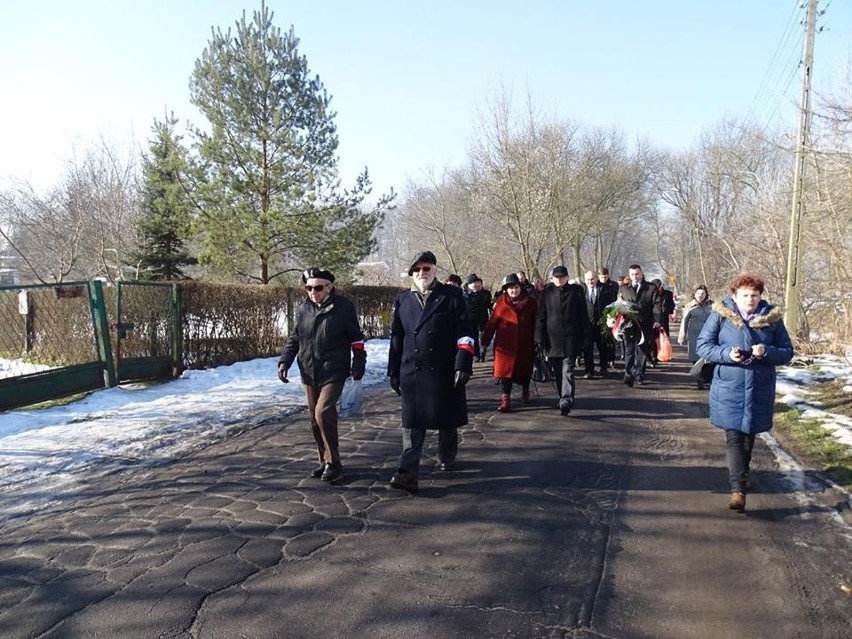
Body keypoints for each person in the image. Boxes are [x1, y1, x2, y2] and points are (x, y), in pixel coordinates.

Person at [696, 273, 793, 512]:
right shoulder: (720, 316)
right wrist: (727, 354)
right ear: (734, 296)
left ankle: (742, 473)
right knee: (734, 436)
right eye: (745, 295)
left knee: (749, 435)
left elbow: (787, 352)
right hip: (729, 387)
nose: (750, 299)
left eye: (755, 295)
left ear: (761, 296)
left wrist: (766, 351)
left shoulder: (772, 319)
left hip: (759, 387)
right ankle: (738, 490)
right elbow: (703, 345)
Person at [387, 251, 475, 492]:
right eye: (417, 270)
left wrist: (463, 363)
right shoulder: (403, 299)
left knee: (446, 418)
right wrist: (392, 370)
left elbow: (466, 333)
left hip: (444, 368)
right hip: (412, 371)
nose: (421, 273)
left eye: (426, 268)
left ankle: (447, 455)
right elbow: (397, 337)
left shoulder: (452, 296)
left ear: (435, 270)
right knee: (412, 423)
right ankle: (408, 473)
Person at [278, 267, 366, 483]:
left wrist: (359, 363)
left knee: (323, 412)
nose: (312, 292)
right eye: (308, 288)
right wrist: (285, 360)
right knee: (314, 419)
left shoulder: (343, 308)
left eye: (317, 287)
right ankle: (324, 460)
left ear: (329, 287)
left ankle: (334, 463)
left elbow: (356, 338)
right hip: (309, 370)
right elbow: (295, 337)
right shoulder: (303, 309)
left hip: (334, 369)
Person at [481, 273, 538, 412]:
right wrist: (485, 342)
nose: (514, 290)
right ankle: (505, 400)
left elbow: (537, 322)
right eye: (511, 288)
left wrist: (539, 340)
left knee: (525, 372)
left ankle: (525, 391)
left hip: (525, 343)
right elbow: (492, 323)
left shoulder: (531, 302)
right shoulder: (501, 303)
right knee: (505, 374)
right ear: (506, 289)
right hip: (505, 346)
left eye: (516, 287)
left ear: (521, 287)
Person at [535, 265, 587, 415]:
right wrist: (538, 338)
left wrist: (585, 336)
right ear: (552, 278)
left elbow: (583, 314)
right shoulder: (546, 293)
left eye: (562, 277)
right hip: (552, 341)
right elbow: (541, 317)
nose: (559, 279)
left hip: (572, 338)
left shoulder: (576, 292)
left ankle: (566, 399)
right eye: (557, 277)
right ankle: (562, 397)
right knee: (558, 372)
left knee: (568, 370)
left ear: (567, 278)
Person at [617, 264, 662, 386]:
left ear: (641, 273)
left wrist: (657, 320)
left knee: (642, 349)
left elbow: (657, 305)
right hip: (629, 324)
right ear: (629, 275)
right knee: (629, 349)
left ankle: (639, 373)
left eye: (637, 274)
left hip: (645, 323)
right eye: (632, 274)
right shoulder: (624, 288)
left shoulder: (651, 288)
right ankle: (628, 373)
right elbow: (619, 304)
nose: (635, 276)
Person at [581, 270, 617, 379]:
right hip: (587, 324)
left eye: (592, 279)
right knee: (587, 348)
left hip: (602, 323)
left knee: (603, 346)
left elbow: (611, 305)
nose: (590, 281)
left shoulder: (605, 289)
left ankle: (603, 367)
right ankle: (589, 370)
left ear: (596, 278)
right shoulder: (581, 291)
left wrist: (610, 319)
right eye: (588, 280)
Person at [678, 284, 714, 389]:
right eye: (698, 293)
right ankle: (699, 380)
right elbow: (684, 322)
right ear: (694, 294)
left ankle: (710, 379)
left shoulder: (712, 306)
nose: (701, 295)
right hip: (694, 335)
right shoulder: (690, 306)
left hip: (709, 335)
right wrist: (682, 337)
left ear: (706, 294)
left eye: (703, 293)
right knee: (696, 357)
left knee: (710, 357)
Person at [464, 273, 492, 362]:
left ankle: (482, 352)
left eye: (477, 282)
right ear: (469, 284)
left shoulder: (483, 293)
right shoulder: (464, 294)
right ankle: (476, 354)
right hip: (470, 319)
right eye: (474, 283)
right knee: (473, 336)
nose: (476, 284)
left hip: (483, 317)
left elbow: (488, 304)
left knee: (483, 336)